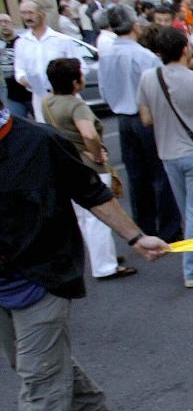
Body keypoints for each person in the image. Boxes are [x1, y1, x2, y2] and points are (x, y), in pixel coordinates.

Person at [0, 106, 171, 411]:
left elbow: (92, 192)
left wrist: (135, 238)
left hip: (43, 275)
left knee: (37, 374)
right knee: (29, 360)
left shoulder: (40, 142)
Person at [137, 27, 193, 288]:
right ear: (185, 49)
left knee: (189, 210)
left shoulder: (148, 78)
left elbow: (146, 119)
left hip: (167, 152)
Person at [42, 57, 135, 281]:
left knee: (84, 218)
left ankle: (99, 257)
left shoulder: (48, 103)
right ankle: (105, 265)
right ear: (75, 82)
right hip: (89, 166)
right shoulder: (76, 105)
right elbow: (89, 134)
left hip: (66, 165)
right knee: (98, 216)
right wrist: (96, 154)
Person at [97, 5, 182, 244]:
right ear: (135, 25)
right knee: (160, 175)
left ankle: (144, 226)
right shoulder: (144, 56)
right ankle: (169, 228)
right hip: (147, 118)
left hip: (123, 118)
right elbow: (159, 90)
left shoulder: (107, 54)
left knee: (136, 176)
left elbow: (104, 91)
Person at [14, 1, 81, 123]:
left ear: (42, 14)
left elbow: (80, 67)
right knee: (48, 135)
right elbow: (19, 70)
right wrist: (26, 81)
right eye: (23, 13)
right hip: (39, 98)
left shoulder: (62, 40)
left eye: (30, 12)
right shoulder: (21, 43)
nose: (27, 17)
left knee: (73, 133)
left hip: (65, 95)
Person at [0, 13, 31, 117]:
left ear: (12, 24)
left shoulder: (23, 42)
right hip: (11, 95)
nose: (3, 25)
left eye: (6, 22)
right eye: (0, 22)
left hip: (30, 92)